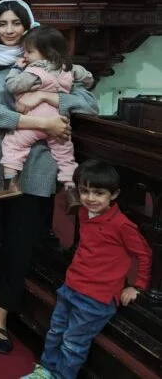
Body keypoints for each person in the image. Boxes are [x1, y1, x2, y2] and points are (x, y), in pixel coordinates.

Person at [0, 0, 98, 355]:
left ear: (28, 27)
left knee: (19, 244)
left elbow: (89, 104)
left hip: (38, 167)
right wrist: (41, 121)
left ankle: (1, 315)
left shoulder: (55, 63)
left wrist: (48, 99)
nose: (8, 30)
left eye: (15, 23)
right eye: (2, 23)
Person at [21, 160, 151, 379]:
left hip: (96, 299)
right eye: (85, 191)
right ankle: (46, 371)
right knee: (55, 333)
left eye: (98, 193)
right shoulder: (83, 212)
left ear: (115, 194)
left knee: (73, 343)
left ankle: (61, 376)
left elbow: (145, 253)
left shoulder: (122, 225)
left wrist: (138, 286)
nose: (90, 198)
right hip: (71, 287)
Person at [0, 26, 94, 206]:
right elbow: (89, 79)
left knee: (12, 146)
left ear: (46, 52)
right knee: (65, 156)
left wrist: (16, 68)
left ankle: (10, 183)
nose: (26, 56)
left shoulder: (35, 72)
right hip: (60, 122)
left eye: (29, 52)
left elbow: (13, 86)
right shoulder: (70, 69)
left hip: (33, 122)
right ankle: (72, 191)